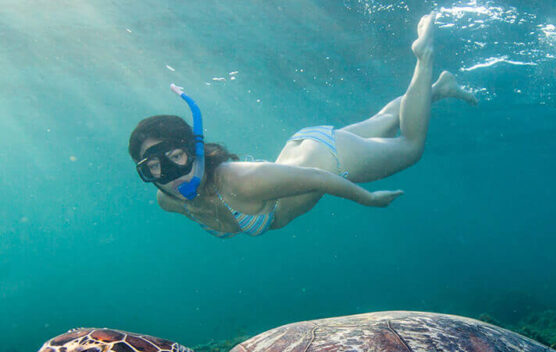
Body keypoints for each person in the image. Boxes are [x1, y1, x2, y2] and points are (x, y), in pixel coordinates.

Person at [128, 14, 476, 238]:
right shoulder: (168, 198)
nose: (170, 173)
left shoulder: (239, 181)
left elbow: (319, 179)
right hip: (306, 146)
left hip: (332, 161)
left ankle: (424, 58)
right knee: (384, 121)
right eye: (154, 167)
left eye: (175, 156)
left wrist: (368, 199)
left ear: (196, 150)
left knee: (410, 146)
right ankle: (440, 89)